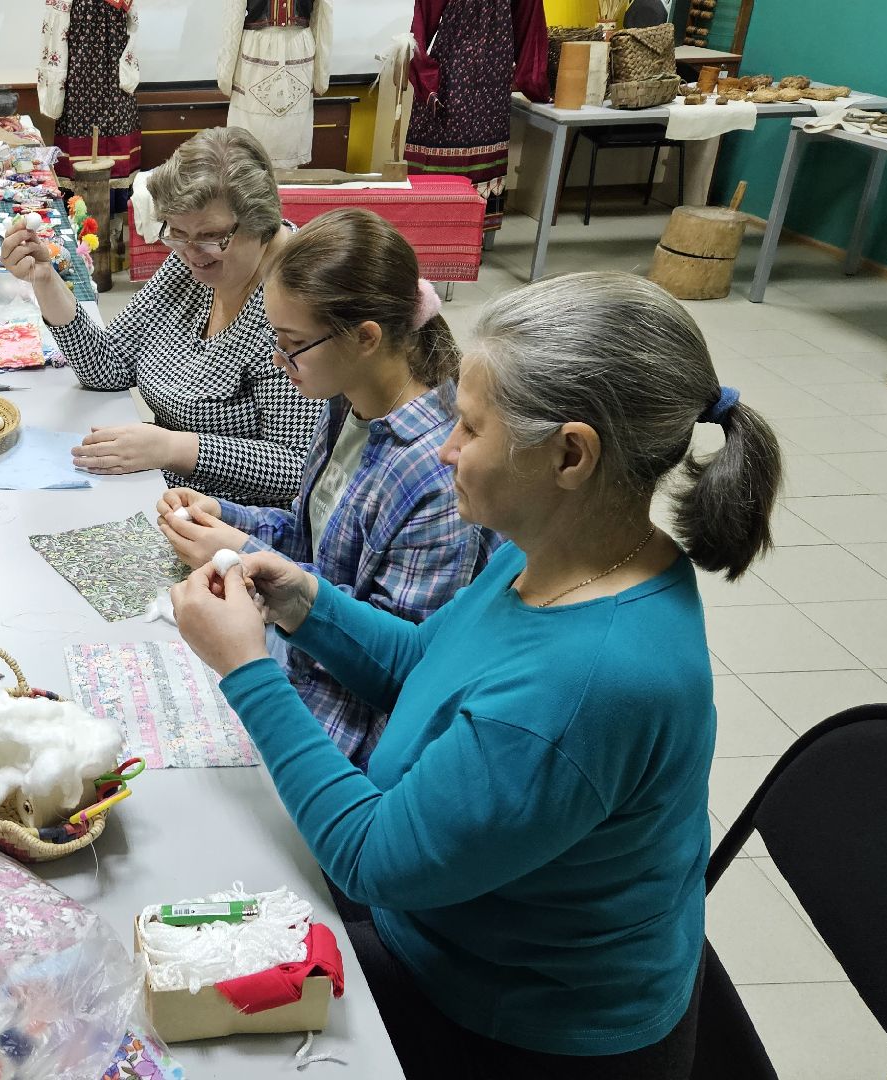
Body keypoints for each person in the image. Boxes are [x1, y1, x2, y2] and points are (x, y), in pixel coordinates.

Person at [170, 272, 783, 1076]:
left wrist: (247, 669)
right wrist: (303, 603)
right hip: (447, 934)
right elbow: (426, 666)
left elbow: (370, 856)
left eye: (469, 426)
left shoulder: (586, 683)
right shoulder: (567, 552)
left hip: (512, 1026)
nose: (446, 449)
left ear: (570, 454)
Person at [157, 208, 493, 765]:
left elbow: (397, 666)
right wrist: (227, 516)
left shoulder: (435, 472)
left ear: (365, 338)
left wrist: (243, 551)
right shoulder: (344, 401)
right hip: (297, 662)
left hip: (346, 729)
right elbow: (315, 535)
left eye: (292, 343)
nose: (278, 360)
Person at [0, 127, 324, 506]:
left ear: (260, 222)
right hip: (168, 490)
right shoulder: (193, 263)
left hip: (238, 521)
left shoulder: (298, 300)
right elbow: (107, 367)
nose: (190, 252)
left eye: (210, 236)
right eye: (177, 233)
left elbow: (297, 467)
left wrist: (174, 448)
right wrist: (45, 280)